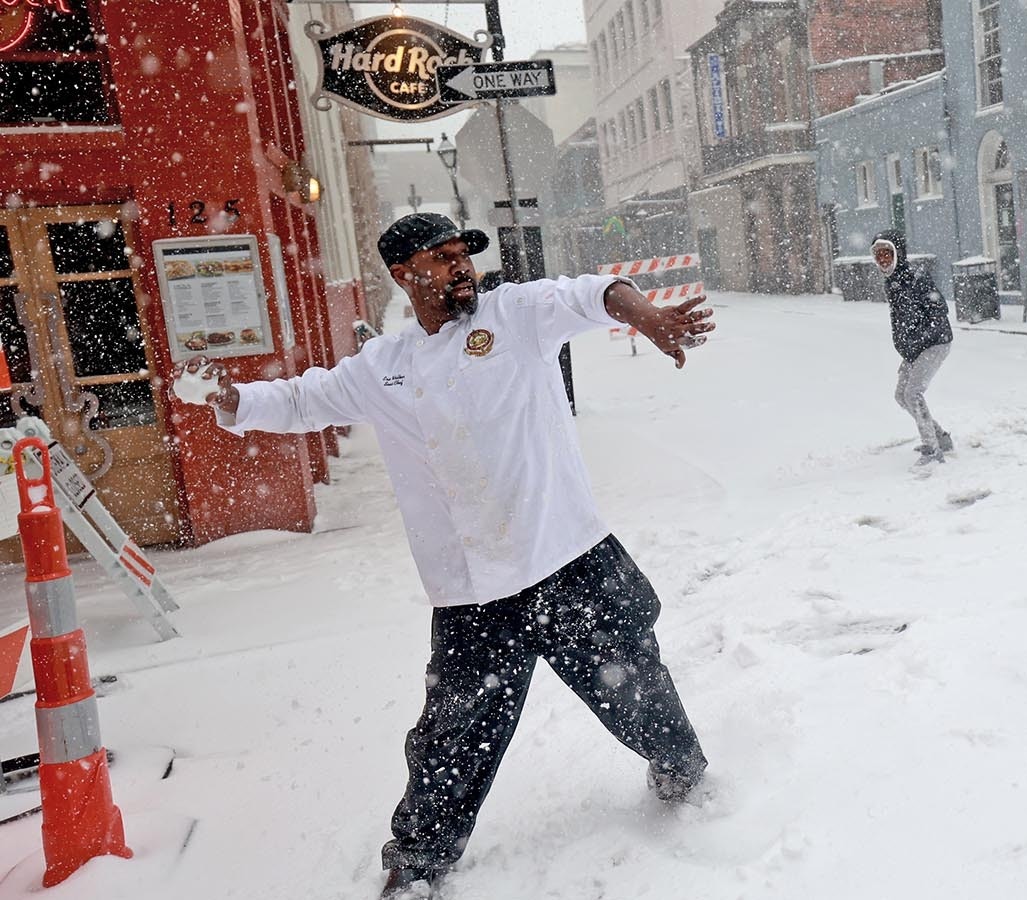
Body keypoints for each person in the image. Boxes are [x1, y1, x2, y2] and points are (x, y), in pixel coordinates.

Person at [178, 213, 716, 899]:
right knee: (453, 736)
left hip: (566, 556)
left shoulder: (515, 314)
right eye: (441, 257)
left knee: (634, 685)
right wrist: (225, 397)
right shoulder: (386, 367)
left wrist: (648, 317)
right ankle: (419, 861)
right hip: (470, 591)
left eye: (463, 253)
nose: (461, 266)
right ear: (404, 276)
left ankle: (685, 778)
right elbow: (299, 400)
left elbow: (593, 295)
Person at [872, 229, 953, 464]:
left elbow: (940, 311)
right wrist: (909, 347)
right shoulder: (892, 282)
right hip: (914, 349)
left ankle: (932, 448)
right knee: (901, 395)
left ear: (898, 254)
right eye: (879, 256)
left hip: (935, 344)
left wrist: (920, 339)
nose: (884, 260)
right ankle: (941, 438)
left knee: (913, 393)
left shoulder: (916, 278)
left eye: (888, 254)